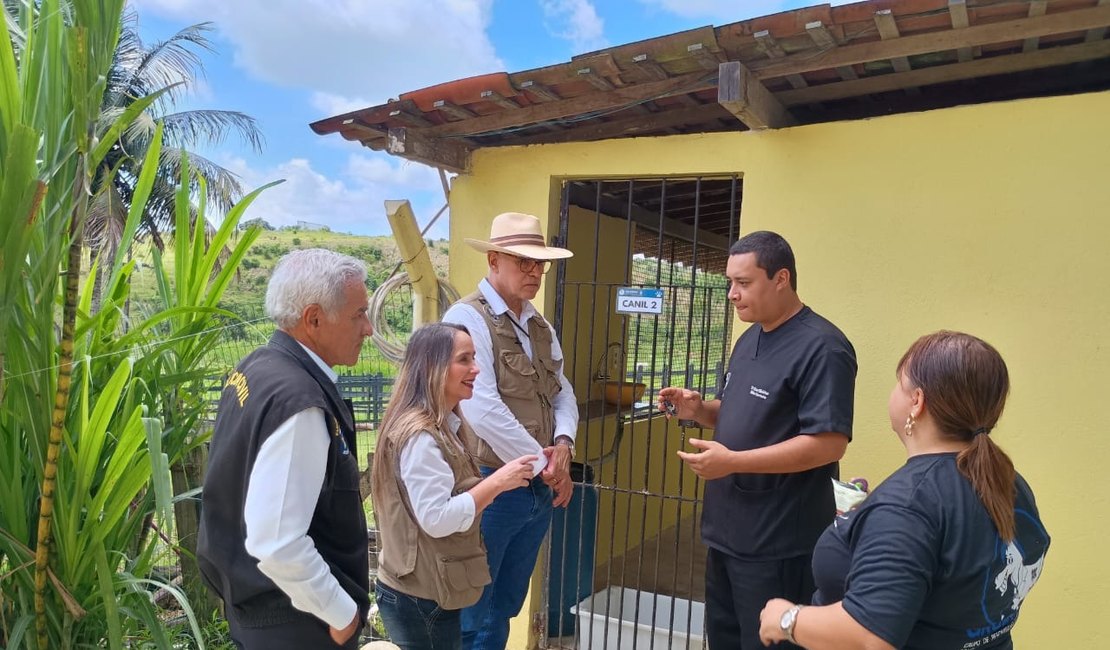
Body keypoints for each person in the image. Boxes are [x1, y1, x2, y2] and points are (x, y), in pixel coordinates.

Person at [758, 331, 1050, 649]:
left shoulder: (907, 506)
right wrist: (866, 524)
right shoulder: (1009, 482)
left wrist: (787, 618)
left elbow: (871, 638)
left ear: (917, 401)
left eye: (900, 381)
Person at [657, 231, 857, 650]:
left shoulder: (823, 348)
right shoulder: (751, 337)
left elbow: (829, 443)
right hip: (727, 535)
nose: (732, 294)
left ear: (781, 278)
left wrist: (733, 462)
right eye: (730, 282)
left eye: (744, 283)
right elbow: (742, 415)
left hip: (778, 542)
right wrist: (699, 410)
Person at [197, 249, 373, 649]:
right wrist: (340, 612)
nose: (369, 328)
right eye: (358, 314)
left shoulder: (256, 367)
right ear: (314, 319)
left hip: (255, 605)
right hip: (296, 623)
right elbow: (276, 542)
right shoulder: (300, 402)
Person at [442, 212, 579, 650]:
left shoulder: (538, 325)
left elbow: (563, 392)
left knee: (504, 606)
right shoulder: (467, 318)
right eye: (523, 262)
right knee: (473, 612)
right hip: (490, 483)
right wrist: (549, 466)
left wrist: (563, 445)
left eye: (539, 263)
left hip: (534, 486)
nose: (534, 272)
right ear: (495, 260)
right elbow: (480, 408)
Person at [372, 323, 538, 650]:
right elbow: (436, 519)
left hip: (427, 589)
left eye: (474, 357)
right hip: (421, 597)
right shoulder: (421, 437)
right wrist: (497, 483)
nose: (476, 368)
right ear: (433, 368)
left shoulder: (443, 425)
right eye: (465, 359)